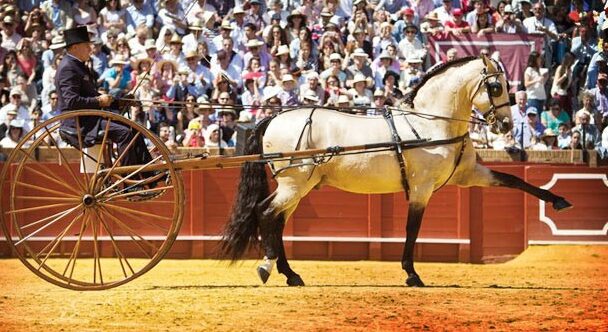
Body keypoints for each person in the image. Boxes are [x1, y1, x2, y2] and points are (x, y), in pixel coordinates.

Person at [55, 26, 157, 190]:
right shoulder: (68, 67)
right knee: (125, 133)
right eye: (86, 45)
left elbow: (92, 96)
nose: (91, 48)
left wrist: (120, 102)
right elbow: (71, 101)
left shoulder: (78, 66)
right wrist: (99, 101)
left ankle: (147, 175)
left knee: (134, 128)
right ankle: (130, 184)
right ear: (74, 47)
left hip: (90, 118)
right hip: (79, 123)